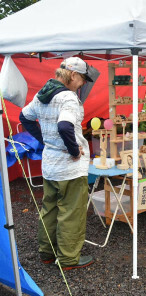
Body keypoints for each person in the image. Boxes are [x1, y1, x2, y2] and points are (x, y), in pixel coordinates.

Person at [20, 57, 94, 270]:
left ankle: (47, 253)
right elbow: (64, 126)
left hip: (50, 165)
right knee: (71, 212)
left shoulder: (43, 94)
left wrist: (44, 139)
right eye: (82, 79)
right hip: (69, 167)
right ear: (73, 75)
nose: (82, 84)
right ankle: (69, 259)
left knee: (50, 209)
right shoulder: (68, 98)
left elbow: (24, 116)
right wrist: (74, 150)